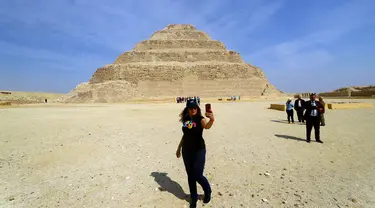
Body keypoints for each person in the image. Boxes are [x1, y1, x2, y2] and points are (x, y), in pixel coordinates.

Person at [176, 99, 215, 208]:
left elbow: (206, 126)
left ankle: (208, 190)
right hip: (186, 151)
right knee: (190, 176)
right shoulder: (186, 119)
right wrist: (179, 148)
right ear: (187, 109)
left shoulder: (200, 119)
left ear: (197, 108)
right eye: (190, 108)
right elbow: (185, 135)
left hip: (198, 150)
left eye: (195, 108)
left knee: (197, 174)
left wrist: (211, 120)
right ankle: (194, 197)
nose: (193, 110)